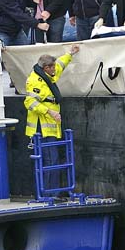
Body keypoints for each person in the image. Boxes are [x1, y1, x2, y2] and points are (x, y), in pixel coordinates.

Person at [24, 44, 80, 191]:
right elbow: (29, 102)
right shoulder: (35, 81)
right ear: (45, 68)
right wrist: (50, 112)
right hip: (41, 126)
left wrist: (71, 53)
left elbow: (61, 63)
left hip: (51, 125)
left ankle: (51, 192)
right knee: (50, 160)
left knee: (52, 159)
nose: (55, 69)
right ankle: (49, 193)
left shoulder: (50, 74)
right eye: (52, 67)